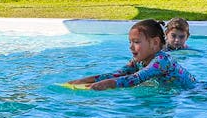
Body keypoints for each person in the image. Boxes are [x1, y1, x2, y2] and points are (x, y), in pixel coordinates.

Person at [66, 19, 195, 90]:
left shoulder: (162, 60)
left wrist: (108, 84)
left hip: (194, 92)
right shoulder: (138, 61)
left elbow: (135, 79)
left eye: (136, 42)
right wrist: (87, 80)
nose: (131, 47)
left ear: (155, 43)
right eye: (130, 42)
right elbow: (117, 74)